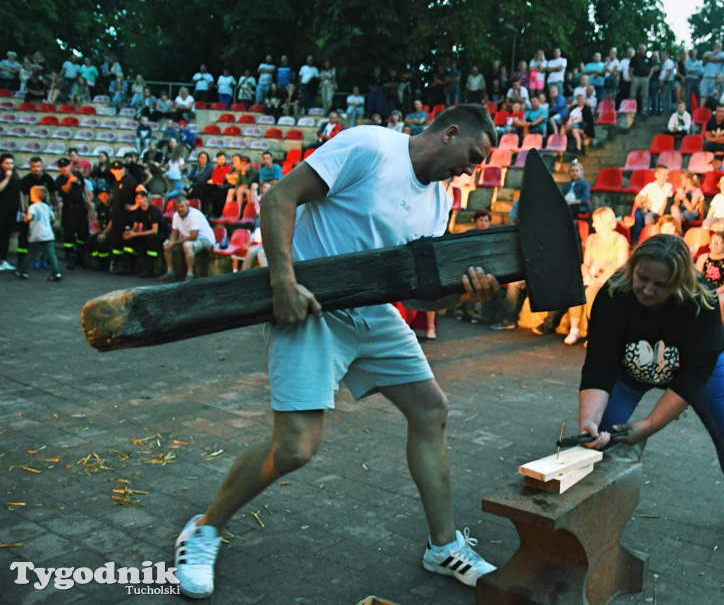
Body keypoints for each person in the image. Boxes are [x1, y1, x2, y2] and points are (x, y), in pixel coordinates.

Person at [171, 105, 501, 598]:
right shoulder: (371, 146)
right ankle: (204, 529)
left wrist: (462, 294)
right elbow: (279, 197)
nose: (471, 169)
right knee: (295, 449)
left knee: (431, 408)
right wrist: (283, 281)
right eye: (472, 155)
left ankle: (443, 546)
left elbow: (413, 293)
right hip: (309, 307)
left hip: (373, 312)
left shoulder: (439, 202)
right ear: (450, 132)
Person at [577, 234, 724, 550]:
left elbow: (694, 374)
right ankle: (588, 513)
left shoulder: (702, 299)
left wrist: (650, 425)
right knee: (601, 433)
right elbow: (599, 364)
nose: (647, 289)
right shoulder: (614, 293)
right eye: (642, 278)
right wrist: (588, 419)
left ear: (680, 282)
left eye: (660, 285)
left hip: (696, 367)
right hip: (632, 367)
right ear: (632, 267)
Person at [532, 206, 628, 345]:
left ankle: (593, 333)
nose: (593, 224)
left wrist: (600, 279)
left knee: (591, 292)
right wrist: (587, 275)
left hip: (610, 279)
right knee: (575, 286)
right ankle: (574, 330)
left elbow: (621, 268)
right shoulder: (591, 238)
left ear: (606, 222)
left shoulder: (619, 240)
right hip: (593, 276)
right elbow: (585, 263)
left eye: (596, 221)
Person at [161, 194, 216, 280]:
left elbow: (193, 237)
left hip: (205, 239)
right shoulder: (176, 215)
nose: (180, 209)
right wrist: (171, 243)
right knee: (166, 244)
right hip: (188, 238)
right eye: (178, 207)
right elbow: (174, 233)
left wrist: (174, 243)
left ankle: (190, 274)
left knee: (187, 245)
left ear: (187, 206)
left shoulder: (194, 215)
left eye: (182, 206)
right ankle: (170, 272)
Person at [12, 186, 61, 281]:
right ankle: (56, 273)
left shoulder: (33, 207)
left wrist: (24, 217)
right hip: (48, 234)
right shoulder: (46, 206)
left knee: (31, 254)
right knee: (52, 254)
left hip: (37, 234)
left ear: (35, 195)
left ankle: (24, 272)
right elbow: (53, 218)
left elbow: (30, 217)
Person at [120, 190, 168, 277]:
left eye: (141, 198)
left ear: (146, 199)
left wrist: (135, 234)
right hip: (148, 233)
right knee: (130, 239)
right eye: (137, 198)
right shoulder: (138, 211)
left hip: (161, 234)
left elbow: (154, 231)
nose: (139, 200)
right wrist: (130, 233)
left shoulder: (153, 210)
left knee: (151, 240)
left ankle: (150, 269)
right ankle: (128, 267)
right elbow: (135, 227)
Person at [695, 231, 724, 325]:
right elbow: (698, 279)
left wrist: (713, 292)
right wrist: (705, 291)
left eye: (719, 243)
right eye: (713, 242)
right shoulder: (702, 258)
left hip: (723, 291)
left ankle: (720, 330)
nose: (715, 245)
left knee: (721, 301)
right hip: (704, 289)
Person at [55, 157, 90, 269]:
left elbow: (83, 187)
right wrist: (70, 180)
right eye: (61, 167)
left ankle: (81, 257)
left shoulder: (78, 175)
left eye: (66, 166)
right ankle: (70, 257)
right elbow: (65, 190)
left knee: (82, 233)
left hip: (80, 208)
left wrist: (87, 199)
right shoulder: (60, 179)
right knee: (69, 234)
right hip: (69, 209)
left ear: (70, 165)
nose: (64, 169)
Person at [0, 153, 21, 271]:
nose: (9, 166)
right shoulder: (3, 175)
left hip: (12, 211)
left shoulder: (15, 175)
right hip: (1, 210)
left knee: (6, 236)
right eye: (7, 163)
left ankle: (3, 260)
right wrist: (7, 178)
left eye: (11, 163)